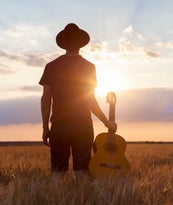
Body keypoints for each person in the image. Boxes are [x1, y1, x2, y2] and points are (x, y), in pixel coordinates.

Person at [39, 23, 117, 175]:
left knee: (57, 173)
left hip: (59, 125)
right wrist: (106, 122)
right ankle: (81, 199)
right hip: (82, 126)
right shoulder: (88, 67)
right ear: (81, 44)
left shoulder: (51, 66)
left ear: (64, 44)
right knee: (82, 172)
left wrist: (45, 127)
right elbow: (90, 101)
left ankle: (55, 199)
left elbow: (45, 99)